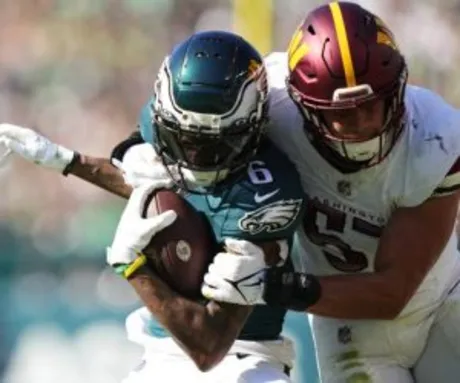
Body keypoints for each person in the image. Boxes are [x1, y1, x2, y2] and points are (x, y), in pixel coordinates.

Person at [0, 31, 320, 382]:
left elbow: (208, 346)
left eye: (209, 144)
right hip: (157, 355)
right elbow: (160, 188)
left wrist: (134, 268)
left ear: (252, 126)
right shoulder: (166, 125)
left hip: (245, 358)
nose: (191, 155)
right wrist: (64, 159)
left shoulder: (265, 195)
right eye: (182, 139)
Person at [200, 2, 460, 382]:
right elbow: (187, 106)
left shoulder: (435, 138)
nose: (363, 124)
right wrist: (137, 146)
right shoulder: (271, 102)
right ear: (303, 105)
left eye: (373, 104)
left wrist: (271, 287)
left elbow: (393, 290)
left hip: (441, 305)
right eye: (343, 112)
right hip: (347, 329)